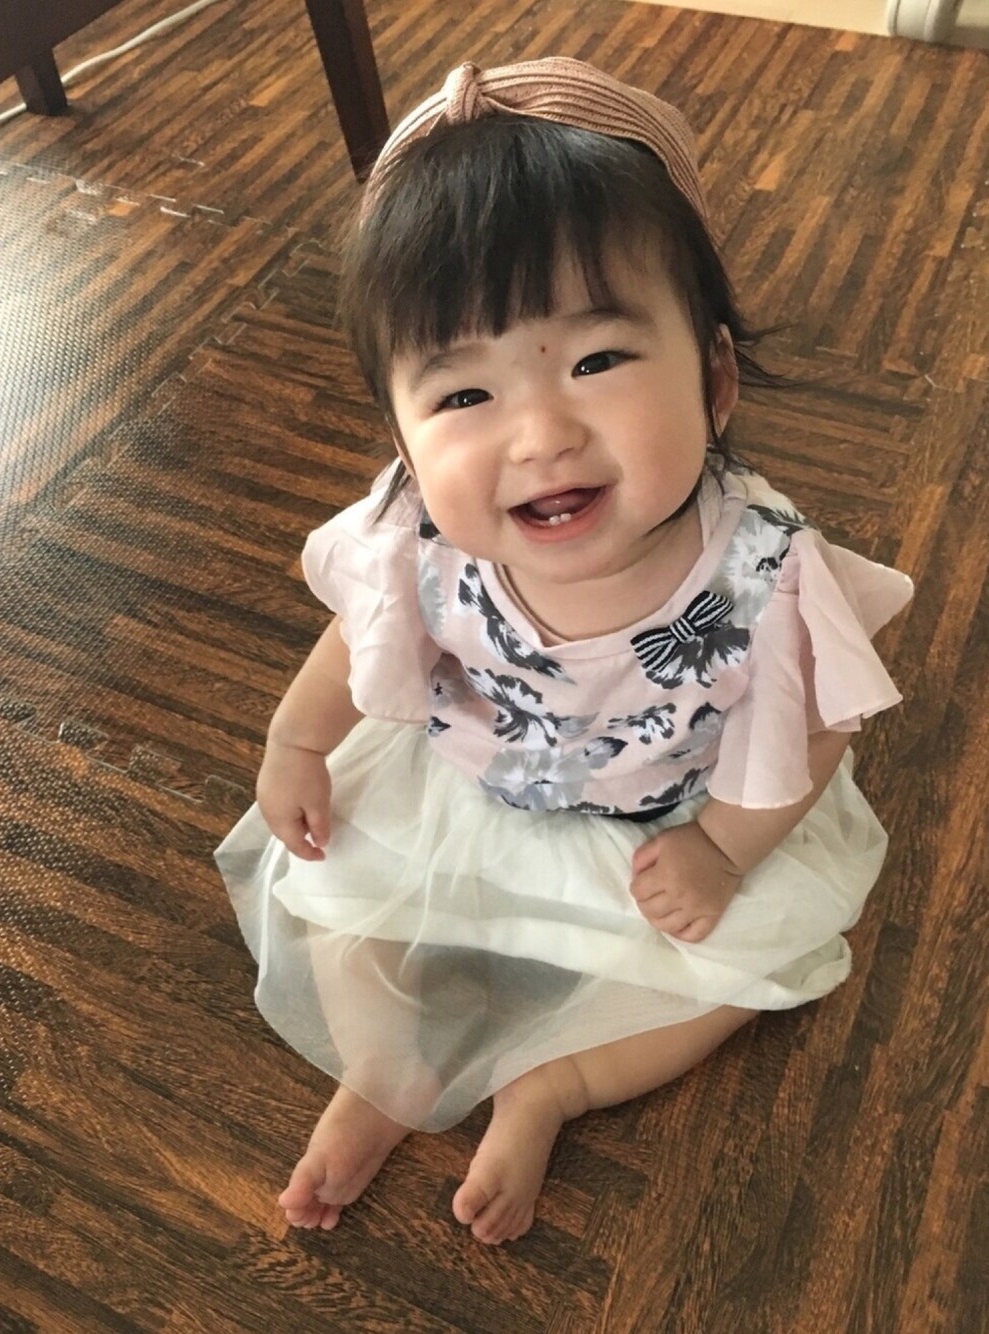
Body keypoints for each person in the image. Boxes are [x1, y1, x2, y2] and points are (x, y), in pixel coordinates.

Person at [214, 56, 914, 1247]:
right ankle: (385, 1068)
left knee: (759, 963)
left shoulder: (762, 571)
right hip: (468, 786)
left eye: (595, 361)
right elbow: (356, 639)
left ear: (715, 377)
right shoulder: (419, 538)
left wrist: (721, 850)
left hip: (676, 816)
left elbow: (812, 727)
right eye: (461, 396)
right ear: (401, 436)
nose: (539, 435)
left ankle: (558, 1083)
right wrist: (296, 742)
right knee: (330, 895)